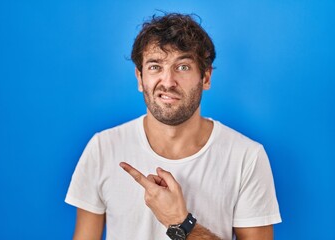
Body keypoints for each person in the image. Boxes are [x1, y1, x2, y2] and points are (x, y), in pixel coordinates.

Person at [65, 13, 281, 240]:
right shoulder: (103, 148)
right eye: (155, 66)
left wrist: (179, 222)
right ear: (140, 78)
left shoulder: (247, 157)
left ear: (206, 78)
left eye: (183, 67)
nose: (168, 82)